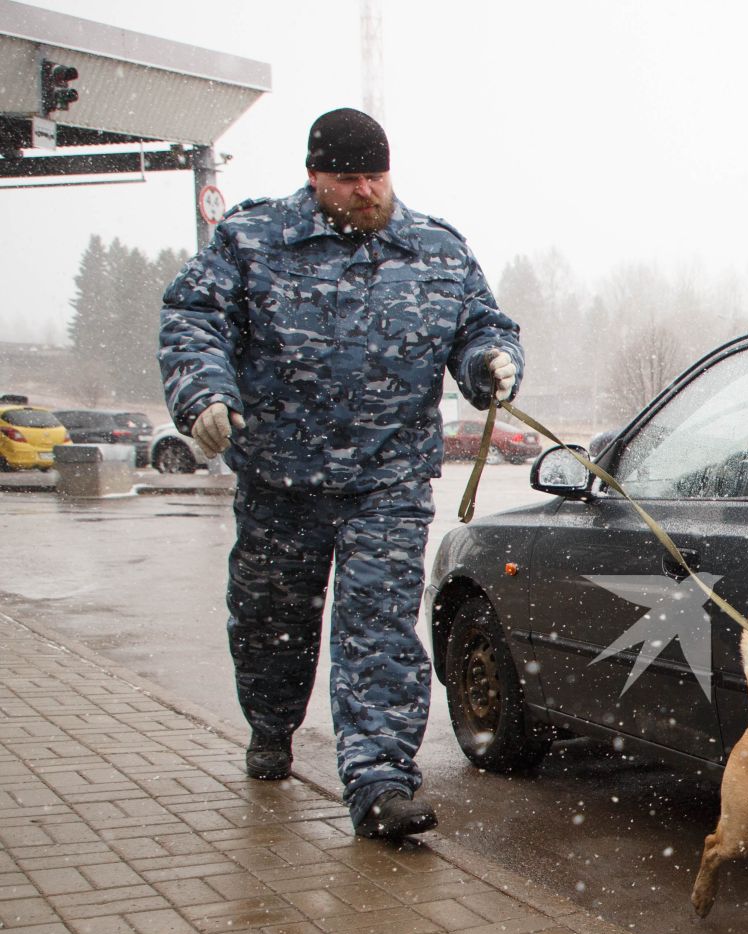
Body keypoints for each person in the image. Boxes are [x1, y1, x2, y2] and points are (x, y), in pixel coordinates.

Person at [158, 108, 522, 840]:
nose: (365, 193)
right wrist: (202, 394)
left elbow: (481, 324)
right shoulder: (252, 240)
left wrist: (491, 363)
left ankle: (380, 781)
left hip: (387, 483)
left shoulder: (436, 250)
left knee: (379, 631)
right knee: (272, 624)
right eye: (348, 179)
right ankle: (270, 724)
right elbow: (192, 319)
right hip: (279, 479)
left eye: (376, 177)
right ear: (314, 176)